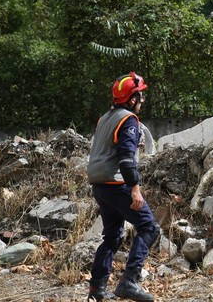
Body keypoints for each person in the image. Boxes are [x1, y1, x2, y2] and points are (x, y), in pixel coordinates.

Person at [86, 72, 159, 302]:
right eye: (140, 96)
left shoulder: (105, 118)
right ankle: (129, 282)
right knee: (149, 227)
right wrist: (135, 189)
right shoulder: (128, 119)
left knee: (112, 236)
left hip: (100, 185)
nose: (142, 101)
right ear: (131, 99)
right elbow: (127, 159)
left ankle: (97, 288)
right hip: (117, 185)